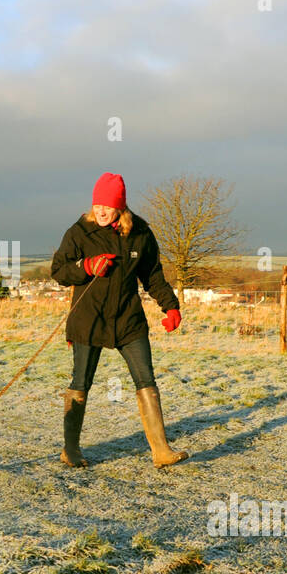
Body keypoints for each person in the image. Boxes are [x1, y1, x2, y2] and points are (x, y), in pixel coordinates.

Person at [50, 172, 186, 468]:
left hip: (128, 320)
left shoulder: (140, 233)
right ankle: (70, 450)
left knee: (146, 379)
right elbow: (59, 270)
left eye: (107, 206)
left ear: (120, 208)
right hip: (89, 320)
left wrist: (170, 307)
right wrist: (85, 265)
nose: (100, 210)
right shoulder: (79, 232)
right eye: (97, 204)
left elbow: (152, 275)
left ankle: (161, 451)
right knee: (80, 382)